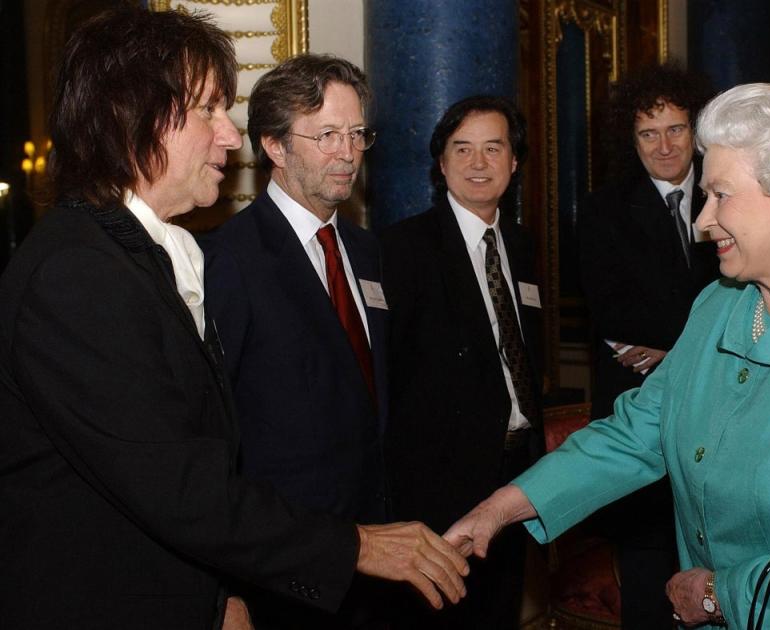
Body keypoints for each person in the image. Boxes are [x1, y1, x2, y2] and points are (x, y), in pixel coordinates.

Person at [0, 9, 467, 630]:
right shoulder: (76, 274)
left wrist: (217, 598)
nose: (230, 135)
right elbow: (177, 485)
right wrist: (356, 545)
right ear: (132, 115)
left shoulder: (136, 255)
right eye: (210, 110)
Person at [446, 83, 770, 630]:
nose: (703, 221)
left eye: (721, 196)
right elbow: (638, 432)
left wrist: (717, 596)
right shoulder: (719, 306)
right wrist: (501, 508)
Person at [201, 53, 391, 629]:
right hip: (285, 578)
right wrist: (226, 591)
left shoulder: (366, 252)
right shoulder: (227, 261)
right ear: (275, 147)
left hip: (376, 561)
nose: (348, 152)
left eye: (357, 134)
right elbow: (214, 442)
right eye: (328, 134)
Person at [379, 95, 544, 629]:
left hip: (516, 475)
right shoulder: (401, 249)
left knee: (502, 612)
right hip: (439, 487)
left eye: (493, 149)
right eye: (463, 149)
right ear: (441, 164)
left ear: (513, 162)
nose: (478, 164)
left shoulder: (521, 246)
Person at [578, 62, 718, 628]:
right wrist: (701, 341)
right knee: (647, 584)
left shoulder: (728, 195)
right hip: (642, 428)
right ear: (629, 139)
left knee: (715, 578)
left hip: (719, 423)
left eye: (676, 129)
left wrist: (676, 351)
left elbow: (752, 301)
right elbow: (614, 314)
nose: (664, 146)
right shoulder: (602, 210)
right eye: (647, 132)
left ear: (697, 131)